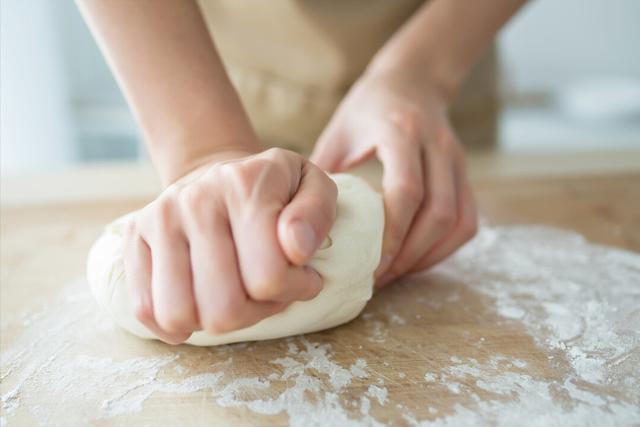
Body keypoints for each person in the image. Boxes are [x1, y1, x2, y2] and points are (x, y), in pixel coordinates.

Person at [78, 0, 525, 344]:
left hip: (436, 65)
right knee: (199, 235)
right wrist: (203, 153)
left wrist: (420, 71)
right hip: (195, 72)